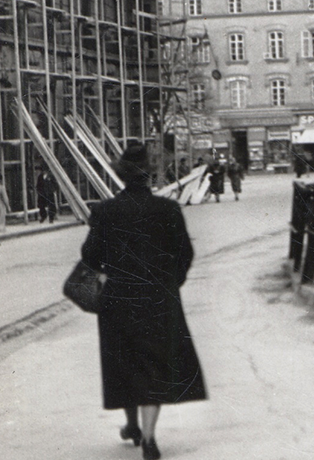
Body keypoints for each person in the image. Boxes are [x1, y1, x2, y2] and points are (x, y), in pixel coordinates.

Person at [79, 145, 207, 460]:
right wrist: (171, 283)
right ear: (149, 175)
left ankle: (132, 425)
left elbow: (90, 256)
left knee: (125, 363)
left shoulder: (105, 211)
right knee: (155, 365)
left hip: (118, 299)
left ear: (121, 176)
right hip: (159, 298)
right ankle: (149, 438)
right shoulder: (168, 209)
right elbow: (185, 253)